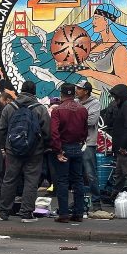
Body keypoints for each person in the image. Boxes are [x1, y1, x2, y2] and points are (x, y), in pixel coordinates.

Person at [0, 80, 50, 222]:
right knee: (31, 181)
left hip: (12, 150)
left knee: (9, 180)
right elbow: (47, 132)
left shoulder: (9, 108)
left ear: (20, 90)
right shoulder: (40, 109)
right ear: (34, 92)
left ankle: (4, 213)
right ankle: (26, 214)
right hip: (34, 152)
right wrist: (43, 147)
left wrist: (4, 146)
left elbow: (1, 129)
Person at [50, 83, 89, 222]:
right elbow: (85, 130)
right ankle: (78, 213)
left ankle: (64, 214)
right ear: (73, 93)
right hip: (77, 147)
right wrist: (81, 141)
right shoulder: (82, 109)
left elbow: (54, 132)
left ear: (61, 94)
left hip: (64, 148)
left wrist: (58, 150)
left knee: (62, 181)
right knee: (78, 180)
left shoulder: (57, 110)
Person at [75, 80, 101, 210]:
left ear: (86, 91)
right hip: (75, 143)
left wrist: (74, 120)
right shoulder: (75, 103)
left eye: (79, 88)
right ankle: (78, 201)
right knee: (77, 174)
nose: (77, 90)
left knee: (90, 173)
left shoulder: (94, 103)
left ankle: (96, 202)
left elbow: (91, 121)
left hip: (88, 143)